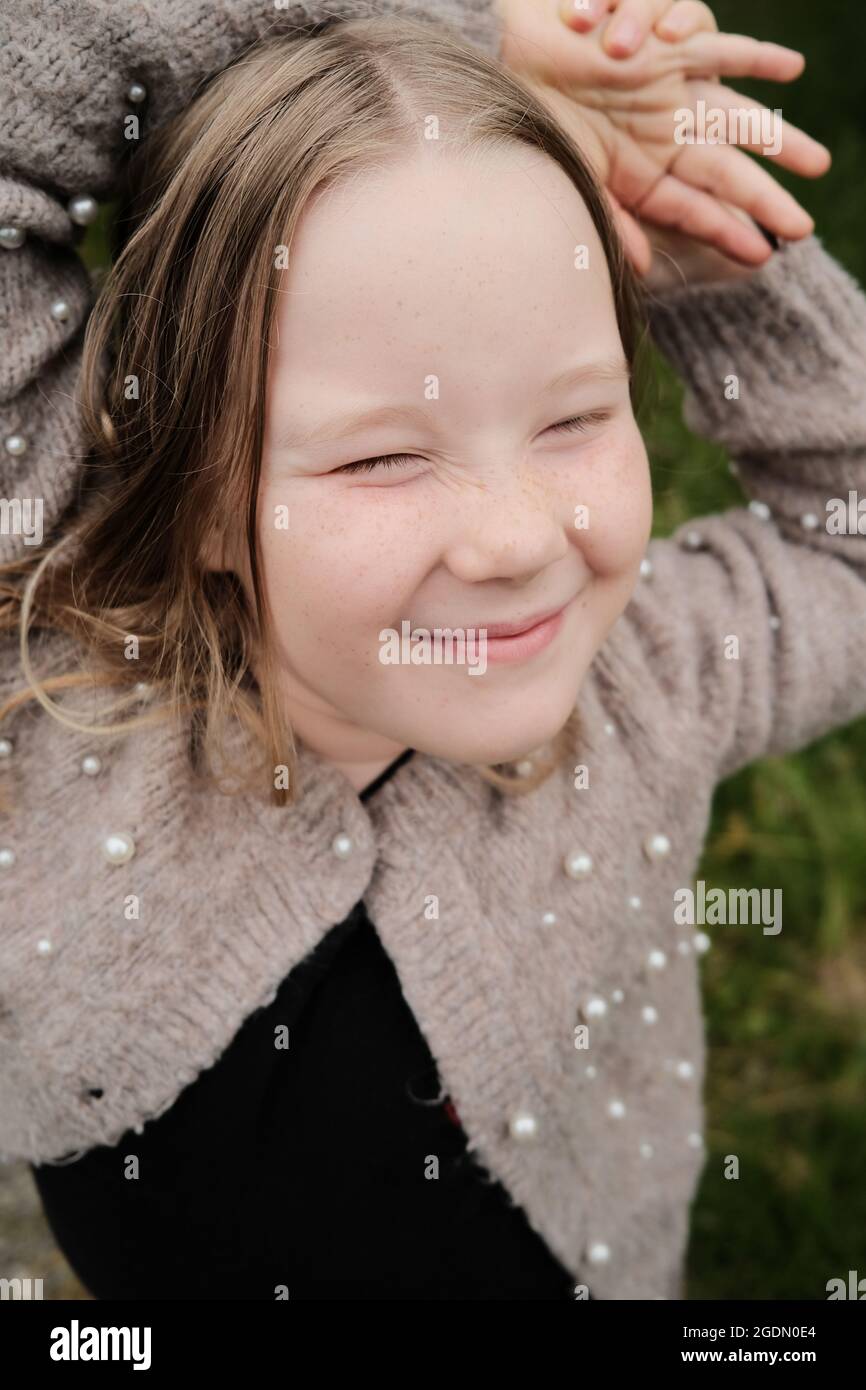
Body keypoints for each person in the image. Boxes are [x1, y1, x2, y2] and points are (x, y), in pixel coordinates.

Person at [1, 0, 863, 1300]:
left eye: (576, 415)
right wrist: (456, 25)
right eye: (384, 455)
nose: (516, 540)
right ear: (192, 479)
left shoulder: (651, 684)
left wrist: (726, 268)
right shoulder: (41, 683)